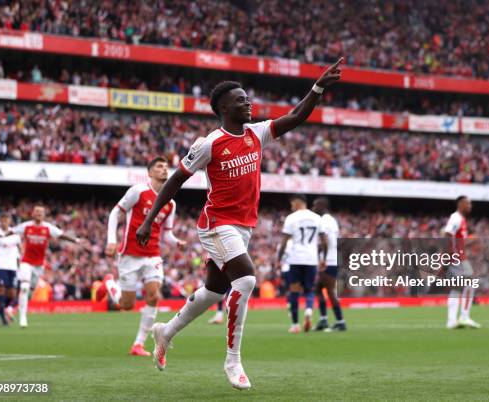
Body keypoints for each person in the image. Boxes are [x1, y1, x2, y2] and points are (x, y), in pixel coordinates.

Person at [136, 58, 343, 390]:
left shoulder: (256, 133)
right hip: (217, 223)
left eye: (248, 99)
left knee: (213, 291)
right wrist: (148, 220)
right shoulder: (209, 144)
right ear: (223, 108)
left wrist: (318, 88)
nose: (248, 103)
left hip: (243, 226)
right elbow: (175, 180)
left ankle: (166, 331)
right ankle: (233, 361)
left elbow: (295, 117)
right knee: (246, 279)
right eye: (240, 100)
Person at [100, 156, 184, 356]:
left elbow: (167, 233)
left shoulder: (170, 203)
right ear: (150, 172)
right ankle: (110, 284)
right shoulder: (138, 191)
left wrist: (176, 241)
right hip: (130, 254)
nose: (164, 170)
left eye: (166, 167)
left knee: (154, 295)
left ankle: (138, 344)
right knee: (126, 305)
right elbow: (115, 213)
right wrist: (111, 240)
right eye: (159, 167)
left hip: (153, 255)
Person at [10, 205, 82, 327]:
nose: (38, 213)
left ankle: (13, 306)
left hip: (39, 266)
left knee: (30, 291)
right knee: (24, 287)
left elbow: (61, 235)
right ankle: (23, 317)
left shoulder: (48, 228)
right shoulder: (26, 226)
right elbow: (12, 230)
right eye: (36, 211)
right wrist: (0, 235)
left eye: (41, 212)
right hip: (26, 262)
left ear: (44, 215)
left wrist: (76, 240)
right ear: (32, 213)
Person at [277, 194, 327, 333]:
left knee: (294, 290)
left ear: (297, 202)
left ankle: (295, 325)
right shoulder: (317, 218)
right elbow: (324, 241)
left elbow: (284, 242)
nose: (291, 207)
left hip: (296, 258)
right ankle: (309, 311)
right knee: (309, 290)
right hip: (311, 259)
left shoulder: (291, 218)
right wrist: (323, 258)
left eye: (292, 204)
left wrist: (278, 259)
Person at [443, 196, 481, 329]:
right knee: (470, 282)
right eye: (468, 203)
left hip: (457, 256)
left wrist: (469, 241)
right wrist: (448, 255)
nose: (470, 206)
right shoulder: (456, 218)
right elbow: (447, 234)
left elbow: (457, 240)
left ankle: (452, 321)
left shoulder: (461, 220)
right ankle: (464, 317)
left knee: (457, 288)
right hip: (456, 258)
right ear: (461, 204)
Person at [312, 197, 346, 332]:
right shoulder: (331, 220)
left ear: (321, 206)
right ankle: (323, 320)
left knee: (330, 291)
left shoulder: (324, 221)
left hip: (328, 260)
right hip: (332, 258)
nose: (313, 209)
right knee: (318, 288)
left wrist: (322, 258)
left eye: (315, 206)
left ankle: (340, 322)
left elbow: (325, 242)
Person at [0, 213, 21, 326]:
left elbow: (20, 248)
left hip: (13, 266)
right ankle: (2, 316)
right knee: (1, 289)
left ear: (9, 221)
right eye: (2, 220)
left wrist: (21, 262)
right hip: (0, 265)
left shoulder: (15, 233)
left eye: (6, 220)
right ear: (0, 221)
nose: (4, 222)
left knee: (12, 294)